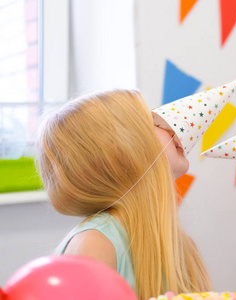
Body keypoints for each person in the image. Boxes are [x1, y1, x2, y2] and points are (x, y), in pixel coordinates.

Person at [35, 90, 212, 300]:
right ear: (121, 150)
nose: (171, 126)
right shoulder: (95, 244)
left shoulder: (182, 245)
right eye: (154, 123)